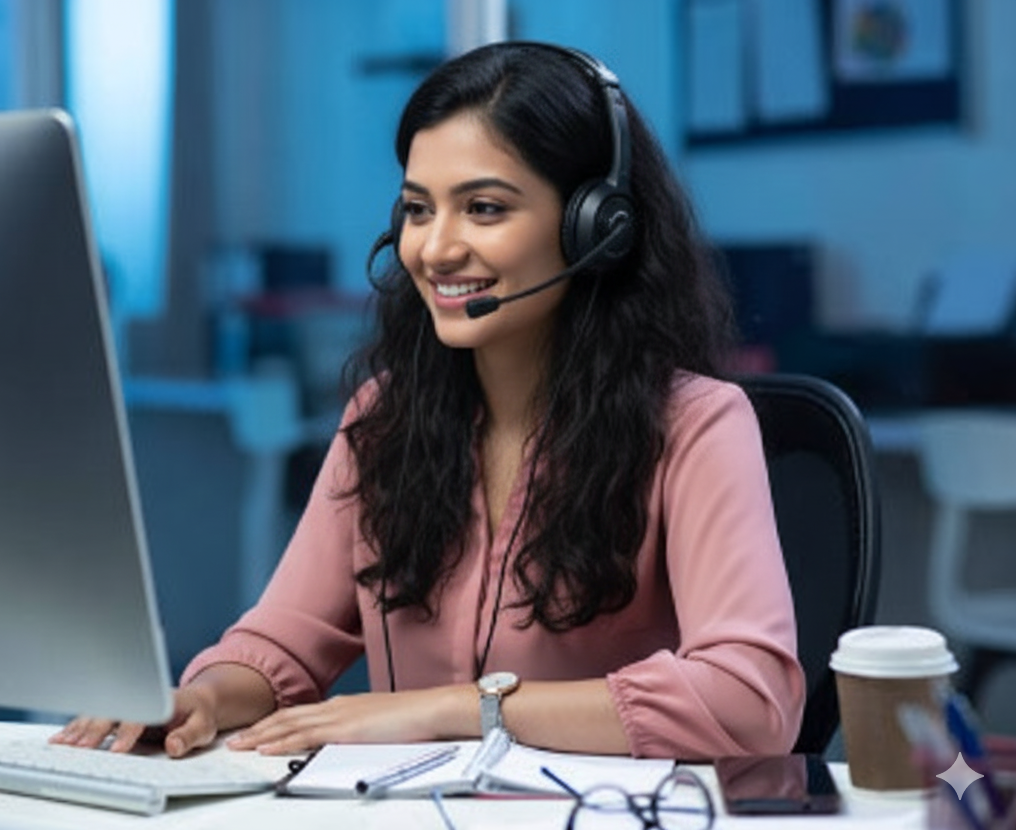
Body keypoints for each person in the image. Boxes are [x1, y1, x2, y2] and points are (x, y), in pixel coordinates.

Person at [53, 40, 805, 762]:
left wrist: (461, 708)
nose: (436, 249)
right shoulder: (384, 419)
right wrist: (207, 698)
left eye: (483, 209)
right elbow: (283, 640)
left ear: (595, 229)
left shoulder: (696, 424)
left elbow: (750, 701)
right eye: (418, 209)